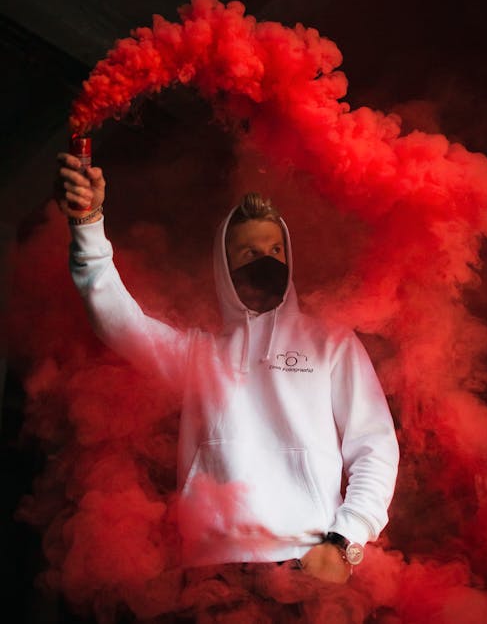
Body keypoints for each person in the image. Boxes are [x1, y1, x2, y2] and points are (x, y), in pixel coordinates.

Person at [55, 152, 399, 585]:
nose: (267, 260)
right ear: (225, 265)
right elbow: (116, 318)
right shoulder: (200, 356)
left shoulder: (331, 341)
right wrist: (88, 222)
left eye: (276, 249)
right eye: (250, 252)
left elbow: (375, 446)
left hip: (304, 565)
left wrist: (346, 540)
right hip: (211, 571)